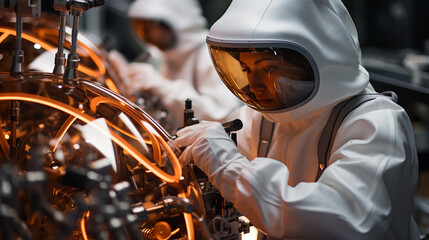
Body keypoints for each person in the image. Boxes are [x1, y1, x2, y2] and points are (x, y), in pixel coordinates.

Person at [173, 0, 420, 239]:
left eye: (268, 69)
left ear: (323, 58)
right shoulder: (261, 117)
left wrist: (229, 167)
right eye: (247, 70)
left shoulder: (376, 122)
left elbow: (348, 220)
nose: (255, 85)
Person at [109, 0, 241, 131]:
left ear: (178, 18)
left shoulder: (209, 56)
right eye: (143, 28)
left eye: (152, 26)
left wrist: (161, 86)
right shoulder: (168, 59)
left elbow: (222, 115)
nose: (149, 34)